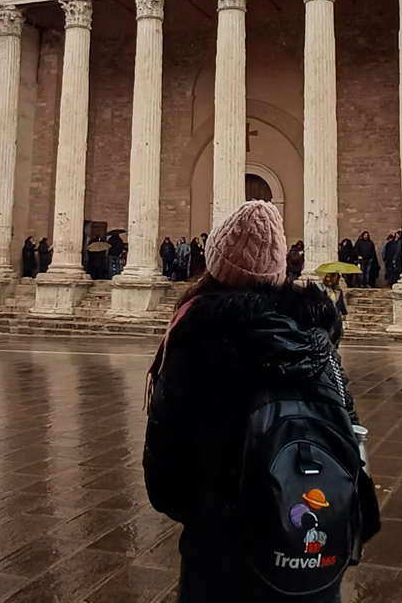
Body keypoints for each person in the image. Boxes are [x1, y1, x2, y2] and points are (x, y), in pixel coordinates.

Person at [145, 201, 378, 602]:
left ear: (215, 266)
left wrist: (214, 514)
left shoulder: (196, 345)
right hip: (311, 565)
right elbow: (350, 445)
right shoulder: (321, 347)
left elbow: (166, 479)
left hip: (222, 563)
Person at [318, 271, 348, 345]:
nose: (330, 280)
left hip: (336, 316)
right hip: (327, 316)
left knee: (337, 334)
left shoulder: (338, 291)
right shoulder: (322, 289)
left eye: (334, 278)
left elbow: (341, 302)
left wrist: (344, 313)